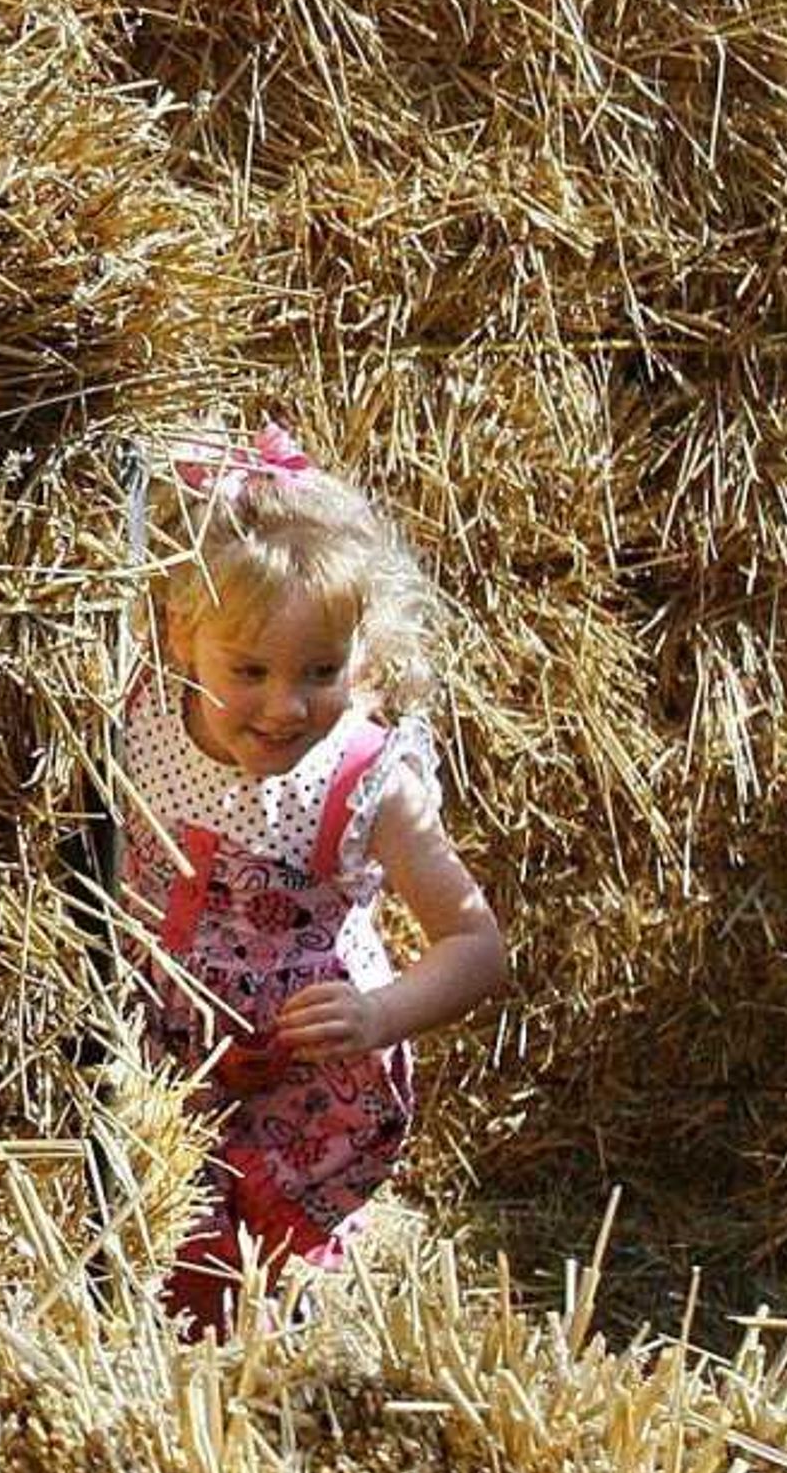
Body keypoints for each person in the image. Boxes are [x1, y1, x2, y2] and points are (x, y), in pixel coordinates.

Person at [112, 421, 509, 1339]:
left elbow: (475, 943)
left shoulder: (370, 782)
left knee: (282, 1290)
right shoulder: (138, 718)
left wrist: (379, 1015)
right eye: (248, 670)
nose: (285, 706)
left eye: (321, 672)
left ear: (362, 654)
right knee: (169, 1266)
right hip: (163, 1060)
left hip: (305, 1079)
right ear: (182, 637)